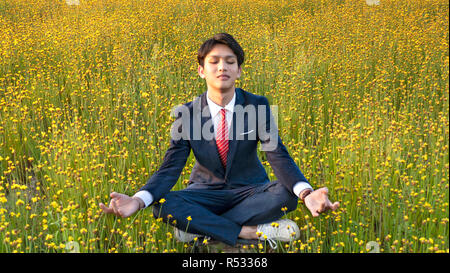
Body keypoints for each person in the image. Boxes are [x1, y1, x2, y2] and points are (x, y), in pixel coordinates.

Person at [100, 33, 339, 248]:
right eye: (214, 61)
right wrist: (137, 201)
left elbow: (277, 154)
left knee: (286, 194)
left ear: (239, 70)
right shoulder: (186, 114)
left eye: (230, 61)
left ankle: (198, 229)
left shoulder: (257, 105)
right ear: (201, 70)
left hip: (250, 191)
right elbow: (170, 169)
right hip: (205, 192)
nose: (222, 67)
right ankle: (250, 231)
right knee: (162, 204)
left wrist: (307, 194)